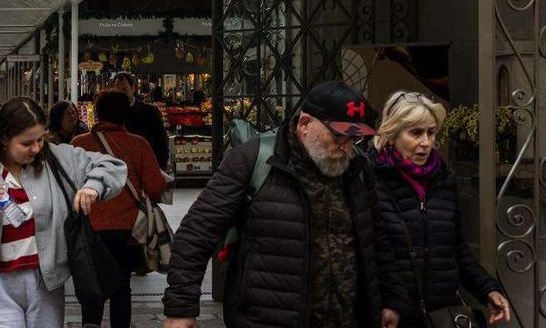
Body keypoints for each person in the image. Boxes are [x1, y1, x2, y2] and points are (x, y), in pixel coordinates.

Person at [162, 80, 407, 328]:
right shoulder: (253, 160)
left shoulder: (358, 168)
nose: (345, 146)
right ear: (305, 124)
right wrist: (181, 308)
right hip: (268, 318)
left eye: (353, 138)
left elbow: (377, 240)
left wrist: (391, 299)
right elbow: (197, 233)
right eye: (337, 136)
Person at [0, 96, 127, 328]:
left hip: (46, 284)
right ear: (5, 138)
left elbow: (113, 166)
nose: (36, 148)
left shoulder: (58, 158)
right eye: (27, 143)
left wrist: (92, 187)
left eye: (40, 139)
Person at [371, 91, 511, 326]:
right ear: (392, 134)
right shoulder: (371, 180)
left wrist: (487, 289)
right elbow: (367, 257)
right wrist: (386, 304)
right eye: (415, 132)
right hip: (393, 316)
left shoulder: (444, 180)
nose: (426, 142)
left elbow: (455, 249)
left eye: (431, 132)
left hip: (440, 315)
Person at [71, 90, 168, 328]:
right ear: (126, 115)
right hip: (128, 228)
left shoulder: (78, 144)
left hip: (90, 228)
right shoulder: (138, 144)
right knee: (122, 286)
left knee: (92, 284)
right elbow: (155, 187)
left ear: (97, 113)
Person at [112, 71, 170, 170]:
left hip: (146, 168)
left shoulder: (150, 112)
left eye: (124, 90)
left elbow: (162, 144)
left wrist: (159, 169)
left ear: (133, 88)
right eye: (117, 92)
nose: (121, 95)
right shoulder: (110, 113)